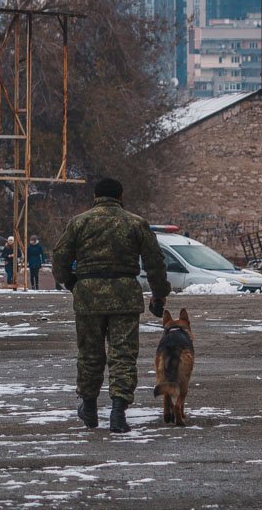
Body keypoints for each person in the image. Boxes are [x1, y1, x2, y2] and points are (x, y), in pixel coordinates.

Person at [52, 177, 170, 433]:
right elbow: (155, 262)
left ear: (95, 196)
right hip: (125, 296)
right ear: (120, 196)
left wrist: (72, 283)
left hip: (88, 298)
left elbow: (60, 257)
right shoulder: (136, 223)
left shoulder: (79, 222)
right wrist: (159, 294)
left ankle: (90, 408)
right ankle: (118, 411)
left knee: (90, 354)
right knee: (123, 355)